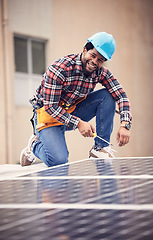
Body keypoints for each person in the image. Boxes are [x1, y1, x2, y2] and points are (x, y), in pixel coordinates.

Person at [20, 32, 132, 167]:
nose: (95, 62)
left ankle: (100, 148)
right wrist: (78, 123)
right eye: (93, 55)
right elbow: (51, 107)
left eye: (100, 60)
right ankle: (34, 145)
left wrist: (125, 124)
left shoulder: (101, 72)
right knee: (58, 161)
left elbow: (120, 95)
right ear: (85, 49)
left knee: (108, 96)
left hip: (72, 109)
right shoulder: (60, 69)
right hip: (47, 115)